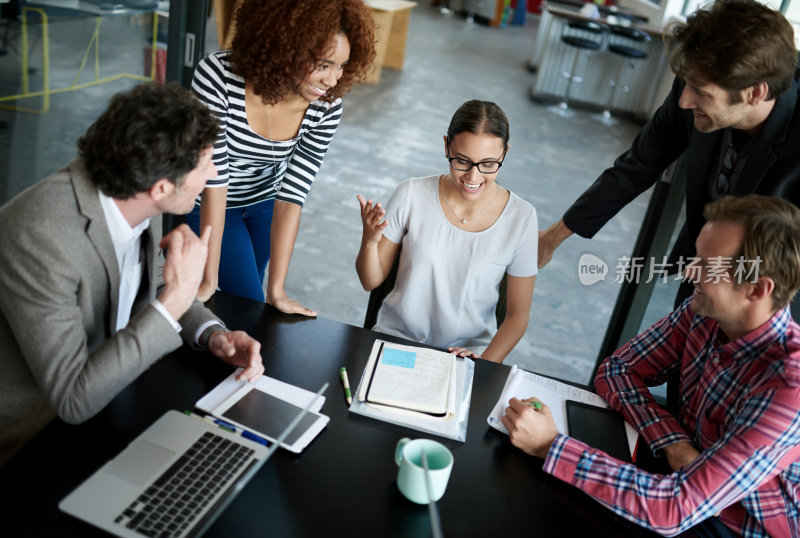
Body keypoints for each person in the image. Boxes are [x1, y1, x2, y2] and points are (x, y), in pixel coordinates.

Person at [0, 82, 264, 467]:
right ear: (160, 188)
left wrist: (213, 335)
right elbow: (73, 398)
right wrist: (175, 300)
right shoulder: (39, 238)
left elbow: (157, 281)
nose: (213, 173)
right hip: (32, 438)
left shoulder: (133, 193)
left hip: (111, 400)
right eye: (205, 164)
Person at [503, 195, 800, 536]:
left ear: (758, 289)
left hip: (738, 524)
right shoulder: (704, 313)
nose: (689, 272)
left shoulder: (790, 387)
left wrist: (550, 446)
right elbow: (618, 370)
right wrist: (675, 444)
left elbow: (673, 508)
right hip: (677, 481)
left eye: (707, 265)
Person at [537, 0, 800, 307]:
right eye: (687, 84)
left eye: (701, 92)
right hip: (704, 273)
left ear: (755, 93)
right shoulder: (696, 83)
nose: (685, 101)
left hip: (777, 293)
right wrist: (552, 237)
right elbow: (636, 166)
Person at [187, 0, 376, 313]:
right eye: (323, 64)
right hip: (207, 203)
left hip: (265, 204)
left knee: (256, 295)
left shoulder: (327, 105)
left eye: (341, 66)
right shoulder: (217, 77)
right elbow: (214, 183)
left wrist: (277, 290)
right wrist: (207, 279)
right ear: (287, 47)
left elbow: (292, 195)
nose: (332, 80)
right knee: (248, 301)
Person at [356, 100, 538, 363]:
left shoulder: (522, 218)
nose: (473, 178)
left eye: (488, 164)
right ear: (446, 146)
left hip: (467, 358)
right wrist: (369, 241)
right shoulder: (411, 194)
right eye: (462, 161)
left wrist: (484, 363)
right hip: (397, 345)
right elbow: (369, 281)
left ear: (505, 154)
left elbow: (518, 316)